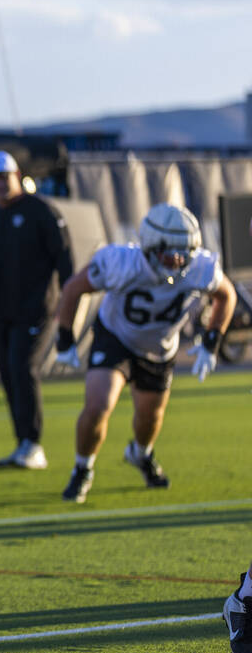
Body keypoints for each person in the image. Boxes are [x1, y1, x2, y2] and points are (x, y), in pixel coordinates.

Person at [53, 203, 234, 503]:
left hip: (160, 348)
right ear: (150, 245)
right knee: (98, 405)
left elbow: (225, 295)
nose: (177, 259)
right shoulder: (121, 261)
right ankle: (82, 468)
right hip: (116, 337)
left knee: (150, 418)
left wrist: (211, 342)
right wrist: (64, 338)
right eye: (170, 250)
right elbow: (73, 289)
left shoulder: (200, 267)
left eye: (184, 251)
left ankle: (140, 454)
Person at [0, 150, 73, 470]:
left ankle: (34, 443)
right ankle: (23, 442)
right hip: (0, 311)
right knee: (9, 375)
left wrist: (67, 301)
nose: (0, 185)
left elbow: (64, 259)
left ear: (17, 174)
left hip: (37, 309)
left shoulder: (41, 211)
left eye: (4, 177)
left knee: (23, 368)